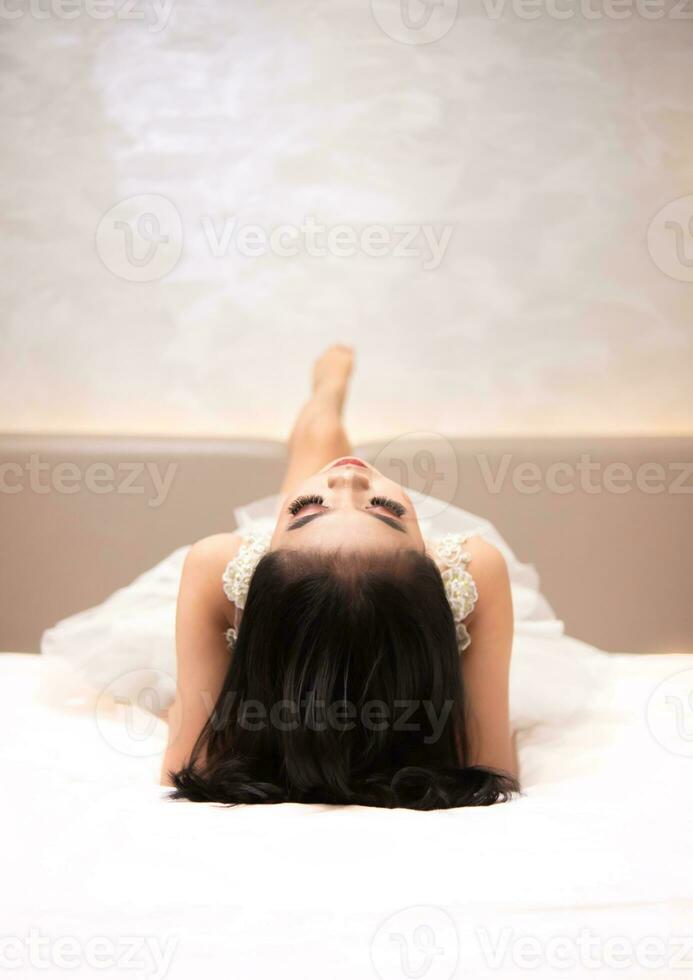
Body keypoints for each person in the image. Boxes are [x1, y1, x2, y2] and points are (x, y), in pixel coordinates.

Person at [162, 346, 518, 809]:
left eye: (303, 511)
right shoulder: (474, 569)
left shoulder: (218, 565)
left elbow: (187, 760)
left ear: (263, 561)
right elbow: (493, 763)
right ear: (430, 564)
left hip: (296, 624)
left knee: (318, 444)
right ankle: (324, 410)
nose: (348, 482)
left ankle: (323, 408)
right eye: (388, 512)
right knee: (321, 447)